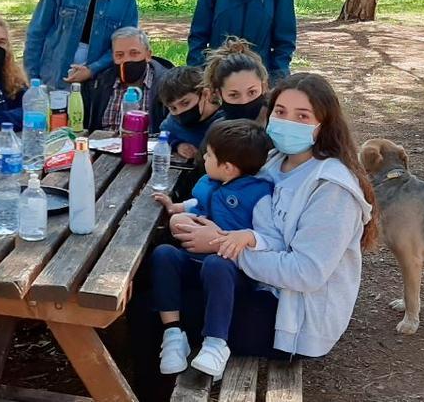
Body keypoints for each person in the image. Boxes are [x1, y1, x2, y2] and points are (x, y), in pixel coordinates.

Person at [159, 72, 378, 376]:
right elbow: (233, 206)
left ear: (323, 124)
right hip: (253, 284)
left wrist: (221, 244)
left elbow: (306, 273)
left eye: (303, 116)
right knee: (161, 271)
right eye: (280, 112)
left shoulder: (331, 188)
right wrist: (190, 220)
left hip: (291, 319)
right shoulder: (274, 159)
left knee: (156, 308)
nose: (288, 122)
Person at [150, 120, 275, 377]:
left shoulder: (258, 196)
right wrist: (177, 208)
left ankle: (215, 344)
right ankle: (173, 334)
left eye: (209, 155)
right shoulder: (212, 181)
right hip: (196, 259)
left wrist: (245, 238)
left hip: (231, 271)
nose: (203, 157)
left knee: (217, 264)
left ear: (227, 167)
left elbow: (268, 236)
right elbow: (200, 201)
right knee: (163, 254)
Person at [87, 27, 169, 133]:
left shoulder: (166, 85)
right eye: (120, 55)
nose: (126, 59)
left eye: (134, 53)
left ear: (148, 55)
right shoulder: (99, 84)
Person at [158, 66, 224, 159]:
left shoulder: (225, 121)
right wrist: (178, 145)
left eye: (185, 103)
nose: (180, 111)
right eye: (173, 108)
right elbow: (164, 133)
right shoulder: (173, 122)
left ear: (205, 94)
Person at [205, 38, 271, 124]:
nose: (244, 101)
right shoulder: (216, 132)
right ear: (219, 94)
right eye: (234, 95)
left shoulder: (278, 129)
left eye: (252, 92)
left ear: (264, 87)